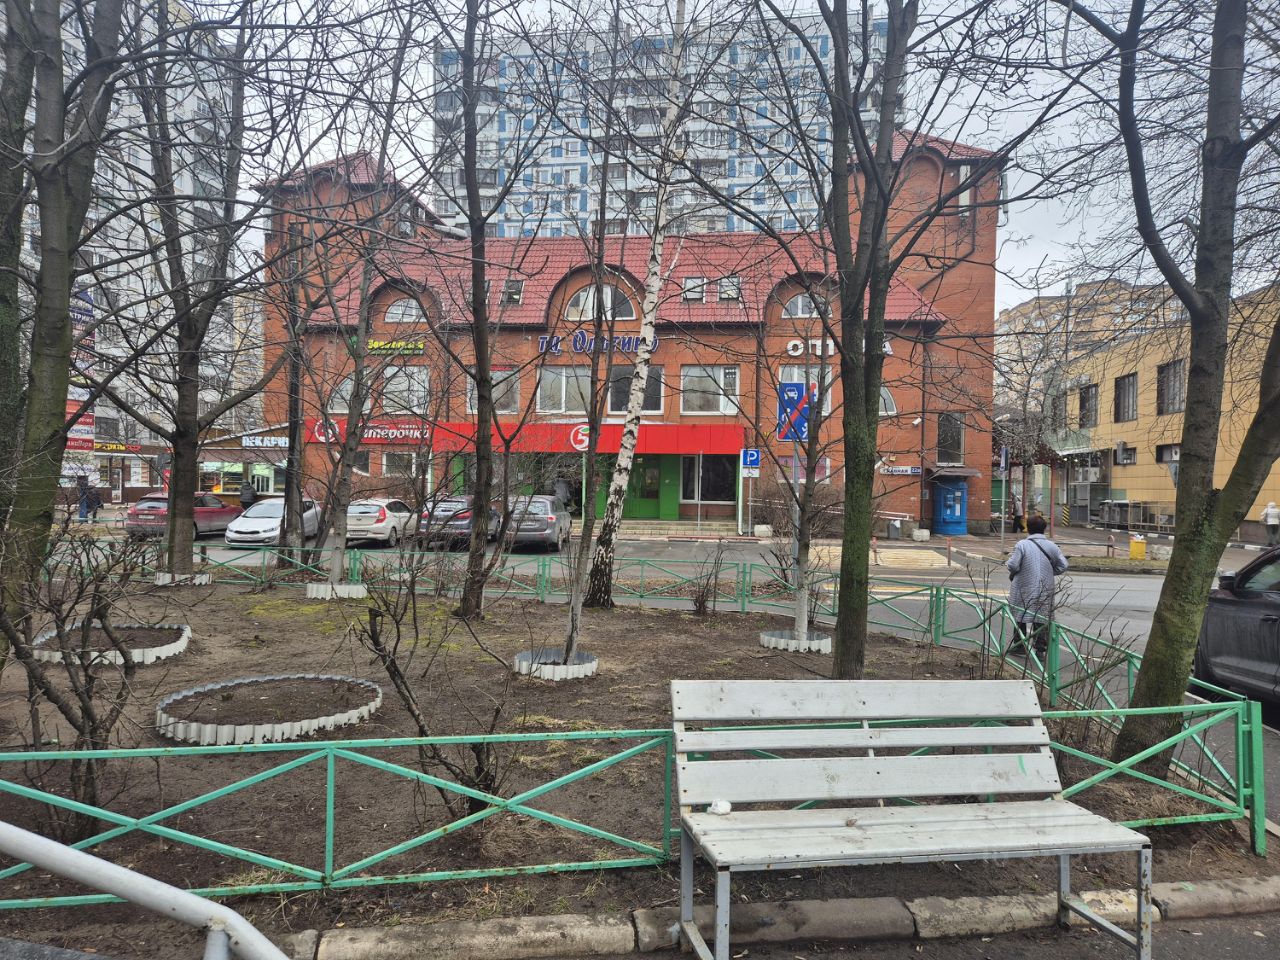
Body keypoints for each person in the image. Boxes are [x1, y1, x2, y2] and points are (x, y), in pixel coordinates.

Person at [1006, 514, 1068, 657]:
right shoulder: (1052, 546)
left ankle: (1019, 645)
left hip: (1023, 586)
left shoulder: (1022, 545)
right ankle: (1040, 649)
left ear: (1028, 528)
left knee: (1020, 614)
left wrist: (1010, 564)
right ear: (1044, 529)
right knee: (1041, 615)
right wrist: (1050, 572)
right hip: (1045, 587)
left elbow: (1013, 565)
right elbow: (1063, 565)